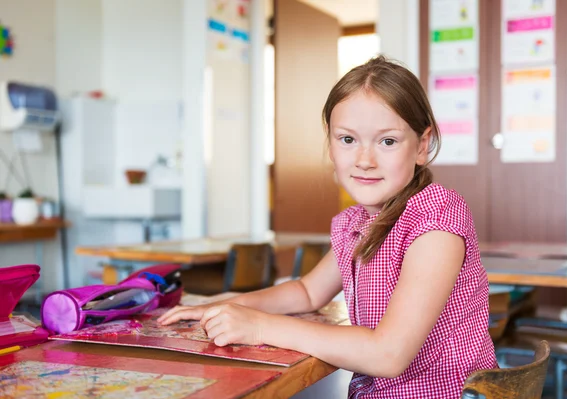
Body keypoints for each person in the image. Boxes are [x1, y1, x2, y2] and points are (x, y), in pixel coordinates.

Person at [158, 55, 497, 398]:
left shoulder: (435, 223)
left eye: (387, 141)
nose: (365, 160)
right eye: (348, 140)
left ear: (422, 146)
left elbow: (388, 354)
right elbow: (307, 292)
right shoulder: (357, 223)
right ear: (330, 144)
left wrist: (259, 326)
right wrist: (226, 305)